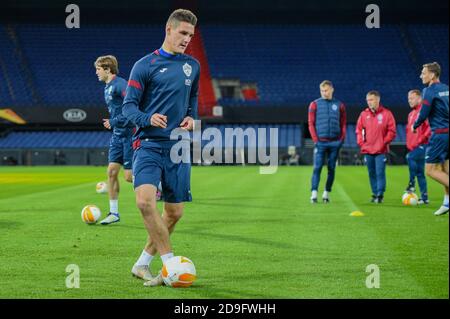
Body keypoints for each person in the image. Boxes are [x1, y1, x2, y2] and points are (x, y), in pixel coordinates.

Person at [122, 9, 199, 286]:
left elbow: (193, 100)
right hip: (148, 144)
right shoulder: (144, 65)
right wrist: (147, 118)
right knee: (144, 202)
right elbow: (128, 106)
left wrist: (193, 118)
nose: (187, 39)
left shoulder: (193, 66)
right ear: (169, 29)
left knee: (174, 213)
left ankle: (142, 265)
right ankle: (171, 266)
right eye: (182, 33)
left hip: (178, 145)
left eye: (190, 35)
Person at [94, 55, 134, 225]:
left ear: (108, 69)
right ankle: (114, 213)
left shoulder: (121, 85)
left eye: (98, 69)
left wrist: (113, 122)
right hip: (117, 135)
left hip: (130, 134)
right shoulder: (107, 87)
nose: (96, 72)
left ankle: (160, 184)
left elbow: (131, 107)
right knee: (111, 173)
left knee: (129, 178)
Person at [412, 62, 449, 216]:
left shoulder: (429, 90)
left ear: (432, 75)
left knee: (430, 170)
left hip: (440, 134)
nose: (421, 75)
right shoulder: (447, 88)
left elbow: (424, 112)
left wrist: (415, 125)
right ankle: (447, 203)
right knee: (445, 169)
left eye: (424, 72)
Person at [308, 80, 346, 203]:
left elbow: (343, 123)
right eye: (322, 91)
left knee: (331, 169)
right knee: (317, 167)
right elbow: (311, 123)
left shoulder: (339, 105)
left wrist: (341, 139)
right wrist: (315, 140)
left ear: (332, 90)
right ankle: (314, 193)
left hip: (335, 143)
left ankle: (326, 193)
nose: (324, 93)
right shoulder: (314, 104)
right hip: (321, 143)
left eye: (326, 90)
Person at [356, 91, 396, 203]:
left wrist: (384, 142)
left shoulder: (387, 114)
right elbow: (358, 130)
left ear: (378, 100)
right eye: (368, 100)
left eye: (371, 100)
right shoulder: (363, 115)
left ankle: (380, 194)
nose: (369, 102)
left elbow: (392, 131)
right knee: (371, 172)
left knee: (380, 172)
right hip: (367, 150)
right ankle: (374, 193)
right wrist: (361, 143)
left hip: (381, 150)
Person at [405, 89, 431, 204]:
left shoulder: (424, 112)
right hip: (413, 146)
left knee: (410, 157)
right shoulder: (411, 114)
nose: (409, 101)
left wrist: (421, 139)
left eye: (412, 98)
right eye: (408, 98)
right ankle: (424, 198)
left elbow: (429, 128)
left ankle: (411, 184)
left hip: (423, 145)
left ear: (419, 98)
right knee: (420, 172)